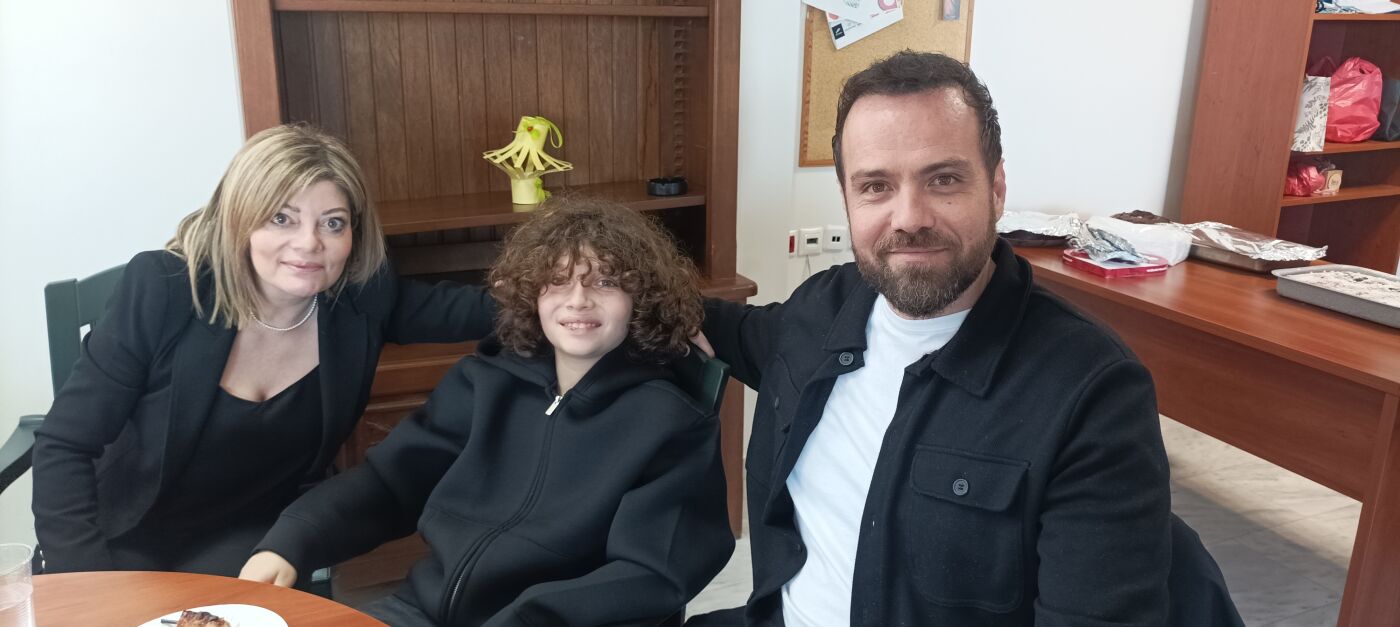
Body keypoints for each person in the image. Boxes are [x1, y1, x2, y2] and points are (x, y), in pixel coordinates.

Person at [691, 51, 1171, 625]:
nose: (909, 218)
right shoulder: (821, 309)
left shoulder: (1091, 392)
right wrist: (603, 288)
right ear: (847, 199)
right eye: (876, 186)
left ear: (996, 189)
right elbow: (718, 326)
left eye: (943, 180)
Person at [31, 125, 497, 578]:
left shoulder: (361, 300)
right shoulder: (163, 288)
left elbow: (488, 311)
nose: (309, 242)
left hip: (255, 539)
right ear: (239, 219)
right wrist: (85, 585)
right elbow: (64, 445)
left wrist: (544, 289)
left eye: (332, 223)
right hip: (125, 533)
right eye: (282, 218)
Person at [239, 199, 734, 626]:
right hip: (424, 610)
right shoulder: (484, 382)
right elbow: (389, 483)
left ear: (640, 299)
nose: (578, 301)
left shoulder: (671, 423)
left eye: (604, 282)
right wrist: (291, 541)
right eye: (557, 282)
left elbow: (651, 574)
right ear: (532, 295)